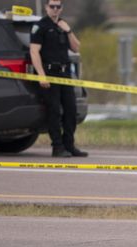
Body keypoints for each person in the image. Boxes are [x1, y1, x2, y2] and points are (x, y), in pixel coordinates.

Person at [30, 0, 87, 158]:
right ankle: (57, 147)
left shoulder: (63, 26)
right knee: (54, 111)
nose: (55, 9)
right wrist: (41, 75)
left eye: (58, 7)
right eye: (52, 6)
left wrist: (68, 31)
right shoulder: (40, 26)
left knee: (71, 110)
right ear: (46, 7)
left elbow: (76, 47)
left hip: (65, 74)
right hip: (49, 74)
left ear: (61, 8)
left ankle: (69, 145)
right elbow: (34, 52)